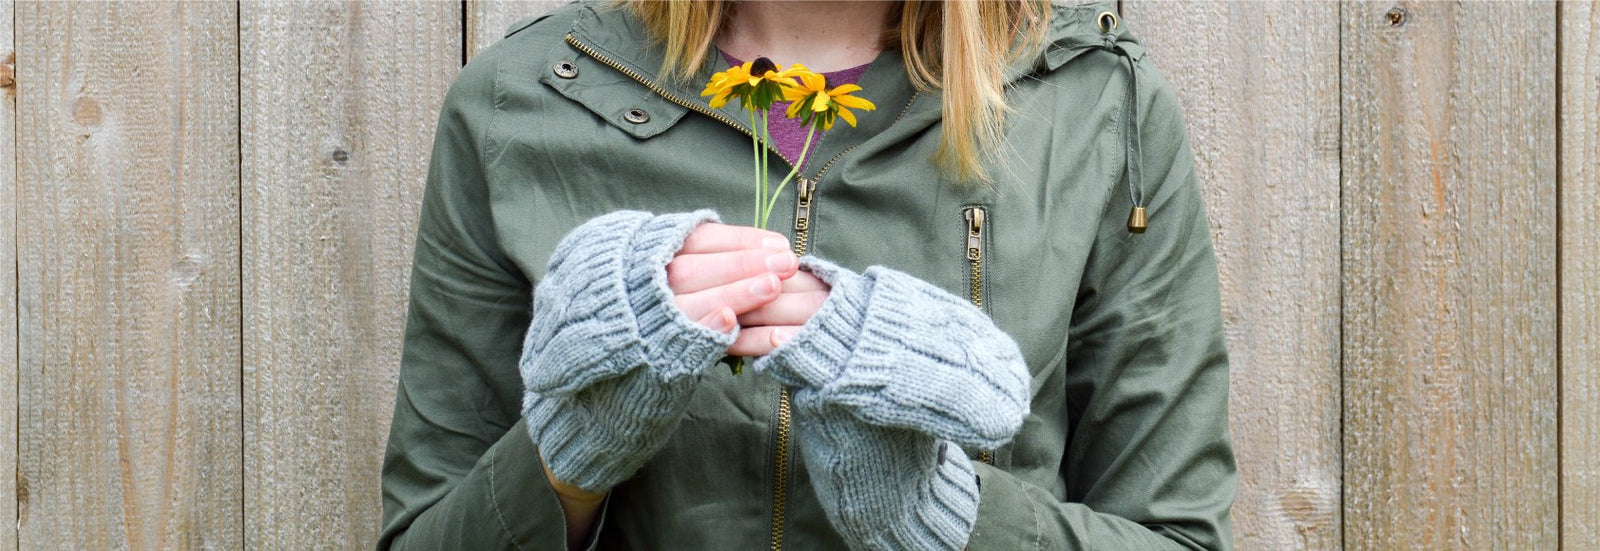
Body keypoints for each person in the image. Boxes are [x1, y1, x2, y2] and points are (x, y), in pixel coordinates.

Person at [378, 0, 1236, 549]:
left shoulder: (1090, 104)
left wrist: (948, 517)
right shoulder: (524, 103)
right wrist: (566, 460)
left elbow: (1176, 535)